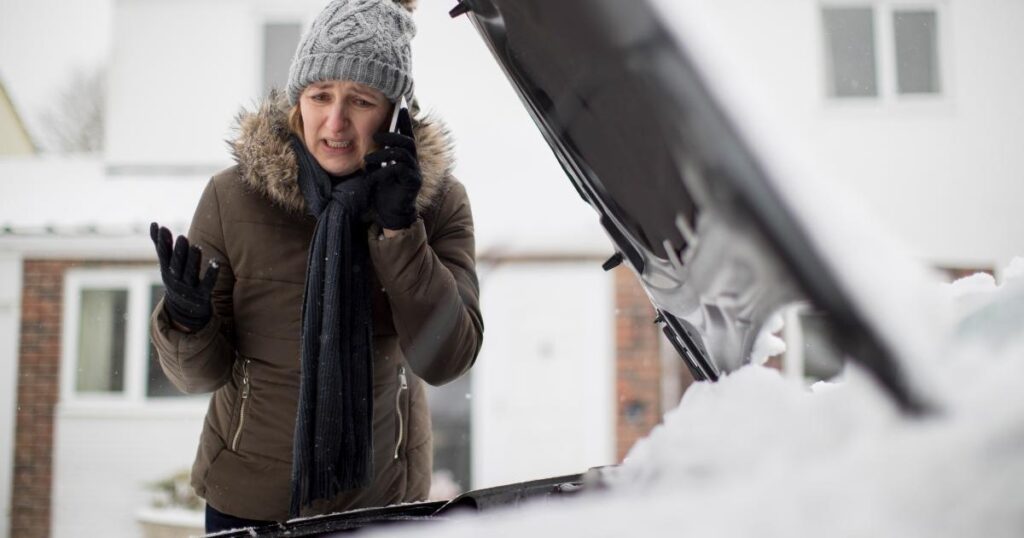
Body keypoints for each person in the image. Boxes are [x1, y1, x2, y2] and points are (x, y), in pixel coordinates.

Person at [148, 0, 483, 532]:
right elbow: (199, 376)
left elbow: (446, 360)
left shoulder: (437, 203)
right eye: (320, 95)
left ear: (395, 111)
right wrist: (187, 324)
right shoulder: (233, 199)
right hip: (249, 501)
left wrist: (400, 233)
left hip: (382, 501)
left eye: (361, 100)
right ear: (296, 100)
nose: (335, 122)